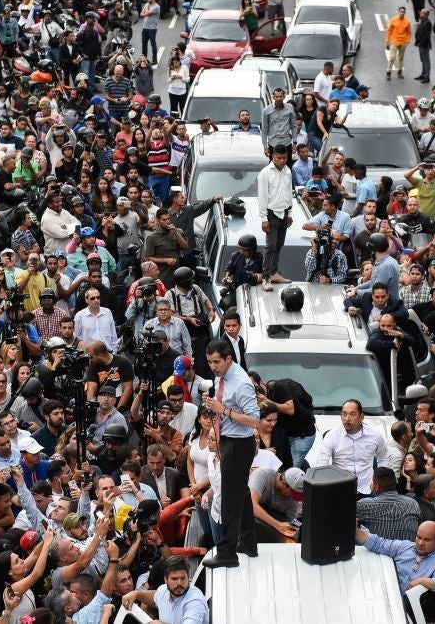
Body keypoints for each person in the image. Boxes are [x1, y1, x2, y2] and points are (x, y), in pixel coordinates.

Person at [201, 339, 260, 568]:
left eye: (217, 362)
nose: (213, 366)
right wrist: (214, 405)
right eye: (209, 362)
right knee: (241, 495)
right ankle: (248, 542)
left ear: (229, 359)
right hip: (228, 440)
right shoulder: (223, 376)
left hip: (238, 445)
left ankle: (227, 554)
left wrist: (223, 410)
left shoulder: (241, 383)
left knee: (230, 500)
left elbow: (254, 420)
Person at [356, 520, 435, 595]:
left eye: (427, 540)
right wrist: (355, 530)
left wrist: (422, 581)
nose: (420, 543)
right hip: (385, 594)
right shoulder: (405, 547)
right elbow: (378, 544)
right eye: (419, 537)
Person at [315, 399, 389, 495]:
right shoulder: (332, 436)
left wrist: (378, 480)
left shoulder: (375, 435)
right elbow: (322, 463)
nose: (347, 418)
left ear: (361, 417)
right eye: (344, 414)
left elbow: (384, 457)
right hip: (340, 491)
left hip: (368, 489)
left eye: (352, 414)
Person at [120, 556, 208, 624]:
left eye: (183, 578)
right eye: (174, 579)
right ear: (166, 579)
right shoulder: (163, 590)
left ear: (188, 577)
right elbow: (155, 597)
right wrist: (136, 594)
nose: (179, 583)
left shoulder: (195, 601)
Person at [256, 144, 294, 292]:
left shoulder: (288, 171)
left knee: (279, 244)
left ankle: (274, 272)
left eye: (285, 158)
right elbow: (262, 197)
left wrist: (290, 214)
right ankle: (266, 277)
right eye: (279, 158)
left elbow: (289, 193)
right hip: (271, 214)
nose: (282, 160)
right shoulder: (265, 173)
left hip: (284, 212)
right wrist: (263, 218)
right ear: (273, 157)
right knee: (270, 247)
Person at [386, 7, 412, 80]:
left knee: (400, 58)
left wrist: (408, 40)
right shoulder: (394, 20)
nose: (402, 13)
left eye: (403, 12)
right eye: (401, 11)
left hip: (403, 43)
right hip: (394, 42)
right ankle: (388, 72)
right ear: (398, 12)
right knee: (392, 58)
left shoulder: (407, 22)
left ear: (405, 13)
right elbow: (389, 31)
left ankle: (399, 72)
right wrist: (387, 41)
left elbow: (409, 32)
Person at [414, 9, 432, 82]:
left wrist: (420, 43)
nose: (420, 14)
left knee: (426, 61)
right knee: (423, 60)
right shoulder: (423, 21)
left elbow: (426, 36)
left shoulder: (428, 23)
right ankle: (423, 74)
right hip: (420, 44)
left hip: (424, 45)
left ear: (426, 15)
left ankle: (427, 77)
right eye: (420, 12)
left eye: (422, 13)